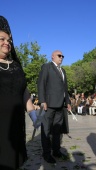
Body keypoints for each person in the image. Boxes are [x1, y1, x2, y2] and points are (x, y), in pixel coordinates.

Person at [0, 16, 36, 170]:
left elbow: (24, 91)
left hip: (15, 125)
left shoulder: (16, 66)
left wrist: (33, 114)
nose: (7, 42)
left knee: (13, 162)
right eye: (2, 39)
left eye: (9, 40)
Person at [38, 50, 71, 164]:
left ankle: (56, 151)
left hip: (60, 105)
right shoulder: (47, 67)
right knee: (46, 129)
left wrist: (68, 102)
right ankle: (46, 154)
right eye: (59, 55)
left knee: (57, 130)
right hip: (49, 104)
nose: (61, 57)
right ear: (52, 56)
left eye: (63, 56)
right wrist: (42, 100)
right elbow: (41, 83)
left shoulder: (63, 71)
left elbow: (65, 88)